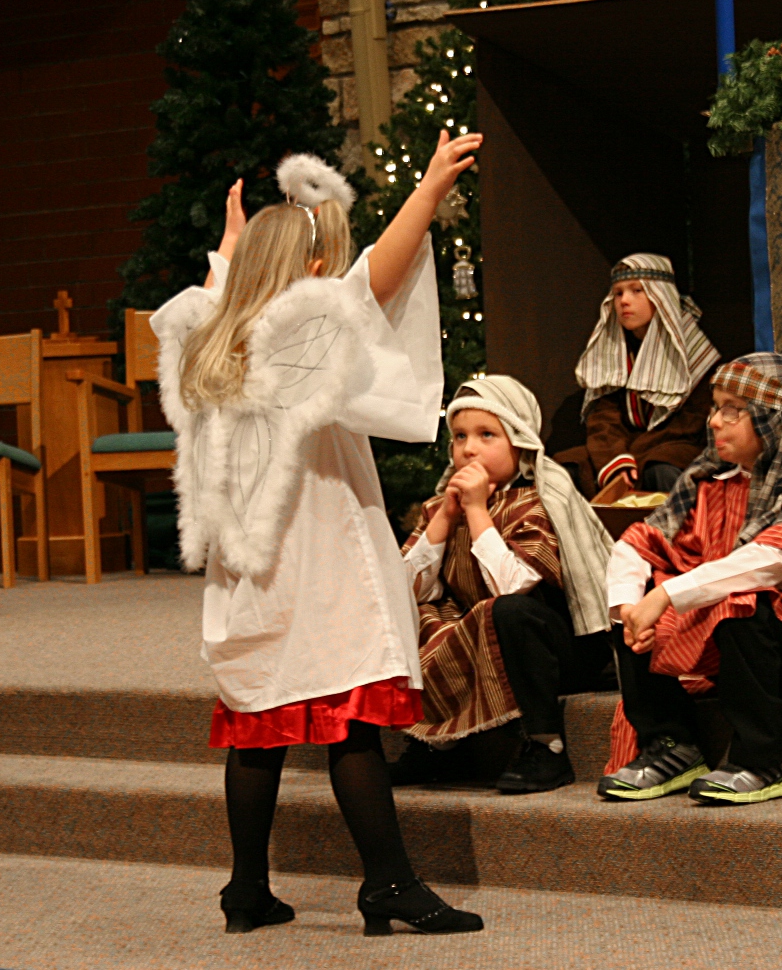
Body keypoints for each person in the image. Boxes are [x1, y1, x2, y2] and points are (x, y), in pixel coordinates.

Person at [152, 134, 485, 937]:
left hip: (249, 570)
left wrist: (230, 252)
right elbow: (381, 273)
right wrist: (429, 191)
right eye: (319, 262)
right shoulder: (301, 336)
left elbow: (212, 293)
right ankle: (389, 884)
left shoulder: (205, 332)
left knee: (261, 720)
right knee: (349, 714)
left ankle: (245, 892)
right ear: (303, 273)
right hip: (317, 555)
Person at [597, 353, 782, 806]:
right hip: (743, 646)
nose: (715, 422)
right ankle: (671, 745)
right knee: (632, 604)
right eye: (715, 407)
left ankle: (765, 758)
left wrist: (668, 593)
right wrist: (631, 606)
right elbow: (637, 540)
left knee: (739, 599)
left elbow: (770, 557)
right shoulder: (710, 482)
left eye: (733, 410)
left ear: (775, 419)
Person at [393, 375, 615, 794]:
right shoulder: (439, 507)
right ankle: (437, 745)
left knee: (507, 611)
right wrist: (443, 519)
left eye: (486, 435)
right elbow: (406, 591)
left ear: (519, 441)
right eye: (459, 436)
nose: (469, 448)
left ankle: (546, 746)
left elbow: (512, 587)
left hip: (551, 649)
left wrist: (477, 512)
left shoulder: (540, 498)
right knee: (421, 611)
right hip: (483, 644)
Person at [558, 253, 721, 497]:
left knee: (662, 469)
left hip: (673, 446)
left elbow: (691, 423)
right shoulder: (614, 352)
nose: (625, 301)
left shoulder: (695, 354)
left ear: (660, 296)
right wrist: (615, 458)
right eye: (618, 292)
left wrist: (635, 453)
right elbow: (603, 416)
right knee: (566, 467)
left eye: (636, 291)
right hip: (626, 448)